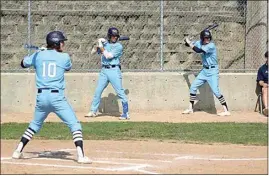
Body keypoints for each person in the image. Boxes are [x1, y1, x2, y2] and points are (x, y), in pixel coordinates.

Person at [12, 31, 91, 164]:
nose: (63, 44)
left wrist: (37, 55)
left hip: (42, 98)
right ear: (56, 43)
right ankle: (81, 156)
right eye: (61, 42)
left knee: (35, 125)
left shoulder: (38, 55)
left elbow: (22, 63)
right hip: (57, 98)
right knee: (74, 124)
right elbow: (68, 67)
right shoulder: (64, 57)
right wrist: (44, 54)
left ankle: (17, 151)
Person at [182, 29, 230, 116]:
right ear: (202, 38)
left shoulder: (211, 46)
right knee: (193, 87)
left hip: (213, 71)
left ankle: (226, 110)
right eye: (205, 38)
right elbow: (187, 44)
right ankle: (190, 109)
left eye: (208, 38)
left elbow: (198, 50)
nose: (207, 39)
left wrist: (189, 42)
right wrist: (188, 40)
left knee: (216, 91)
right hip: (204, 71)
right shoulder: (199, 42)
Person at [85, 27, 129, 120]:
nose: (114, 38)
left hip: (114, 70)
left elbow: (108, 56)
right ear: (109, 36)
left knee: (120, 92)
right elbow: (93, 52)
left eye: (116, 36)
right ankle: (93, 111)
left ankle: (125, 113)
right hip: (104, 71)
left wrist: (102, 47)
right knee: (98, 91)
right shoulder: (106, 44)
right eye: (113, 36)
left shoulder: (118, 46)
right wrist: (98, 43)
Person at [257, 51, 268, 116]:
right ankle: (267, 109)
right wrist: (264, 84)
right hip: (267, 86)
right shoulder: (262, 69)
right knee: (265, 89)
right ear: (266, 58)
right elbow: (260, 81)